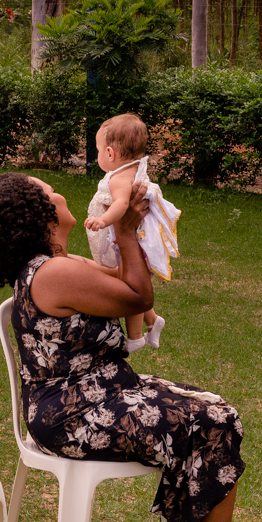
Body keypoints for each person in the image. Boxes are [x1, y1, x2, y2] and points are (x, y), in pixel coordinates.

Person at [0, 172, 254, 522]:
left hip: (103, 392)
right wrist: (122, 229)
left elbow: (125, 276)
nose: (58, 192)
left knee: (210, 407)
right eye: (48, 190)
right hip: (74, 413)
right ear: (40, 212)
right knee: (218, 420)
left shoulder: (61, 264)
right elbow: (138, 296)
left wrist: (133, 227)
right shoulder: (54, 272)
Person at [84, 113, 179, 352]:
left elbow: (121, 205)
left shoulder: (119, 179)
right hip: (139, 239)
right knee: (133, 279)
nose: (98, 156)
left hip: (130, 241)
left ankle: (135, 337)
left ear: (109, 154)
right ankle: (153, 321)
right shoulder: (136, 167)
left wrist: (103, 220)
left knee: (130, 286)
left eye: (97, 151)